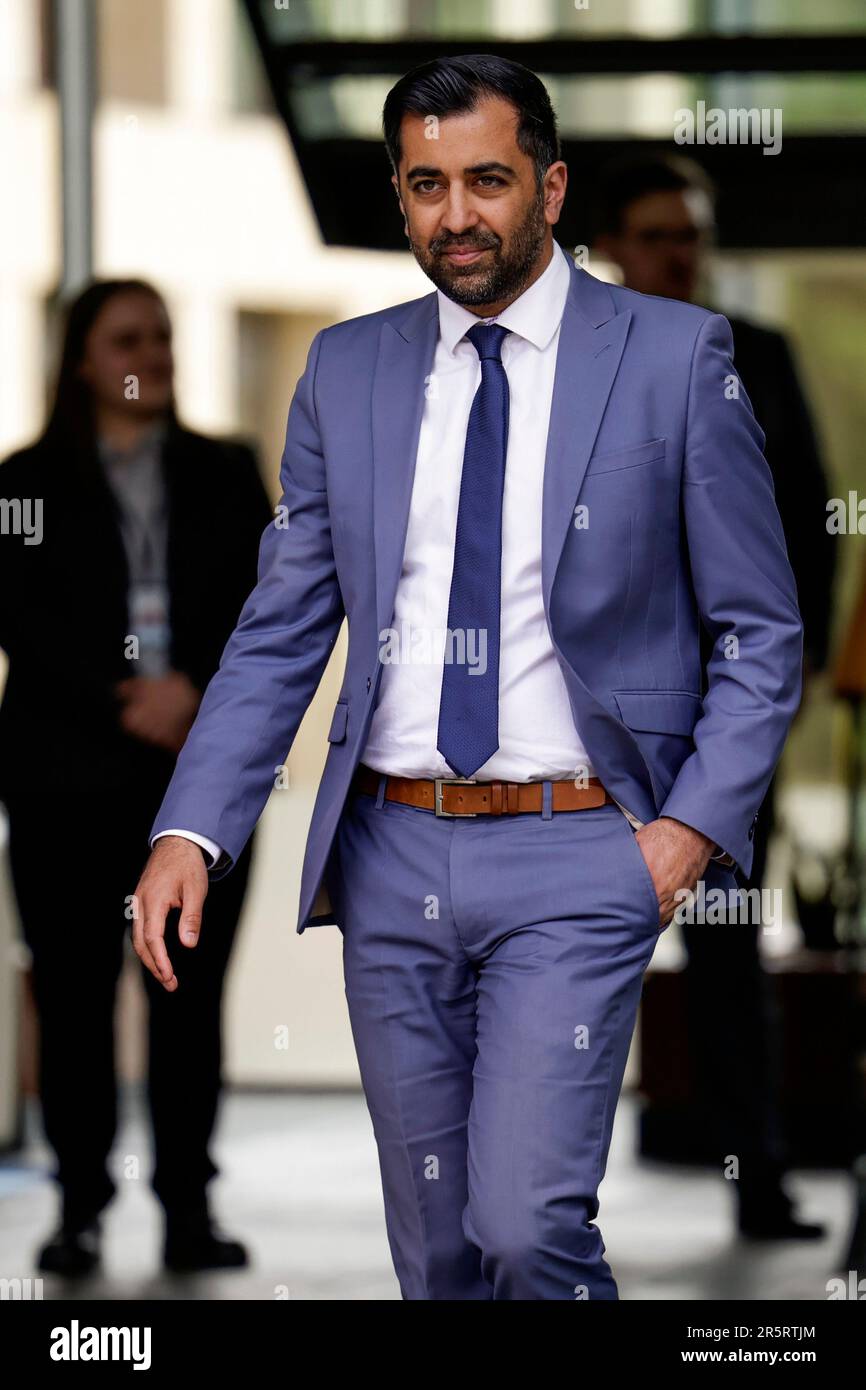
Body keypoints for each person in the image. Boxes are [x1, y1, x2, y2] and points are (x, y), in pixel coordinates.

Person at [134, 57, 803, 1299]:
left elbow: (758, 628)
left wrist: (685, 833)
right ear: (398, 197)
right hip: (390, 853)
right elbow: (281, 628)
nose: (457, 215)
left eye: (486, 180)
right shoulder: (346, 369)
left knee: (523, 1229)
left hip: (578, 850)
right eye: (426, 184)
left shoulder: (671, 356)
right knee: (439, 1259)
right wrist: (192, 825)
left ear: (547, 187)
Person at [0, 279, 272, 1276]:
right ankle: (78, 1209)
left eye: (161, 335)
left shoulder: (227, 471)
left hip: (195, 784)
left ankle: (189, 1207)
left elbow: (268, 603)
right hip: (66, 778)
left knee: (187, 1004)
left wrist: (194, 692)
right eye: (128, 338)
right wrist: (130, 694)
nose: (152, 353)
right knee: (70, 1002)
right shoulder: (23, 481)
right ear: (81, 357)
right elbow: (17, 613)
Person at [593, 152, 832, 1238]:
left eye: (687, 232)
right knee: (575, 945)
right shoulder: (573, 364)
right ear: (609, 249)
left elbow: (807, 524)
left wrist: (783, 684)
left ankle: (758, 1178)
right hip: (595, 721)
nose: (674, 252)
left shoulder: (758, 354)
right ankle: (544, 1197)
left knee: (731, 946)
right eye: (653, 233)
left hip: (729, 716)